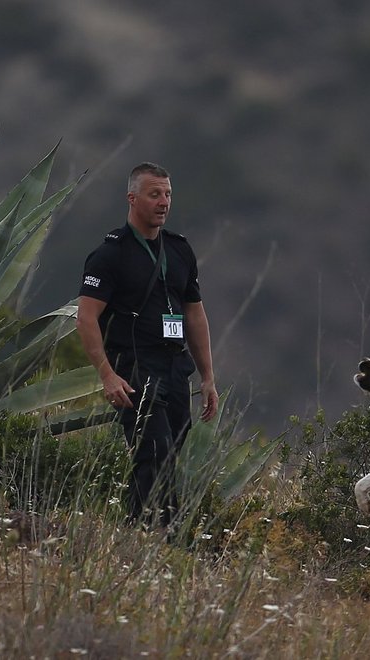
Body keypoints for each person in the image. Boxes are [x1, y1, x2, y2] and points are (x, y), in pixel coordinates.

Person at [76, 162, 219, 528]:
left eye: (168, 194)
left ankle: (144, 530)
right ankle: (157, 532)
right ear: (132, 197)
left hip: (175, 367)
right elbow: (86, 318)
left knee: (169, 452)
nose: (163, 202)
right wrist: (107, 375)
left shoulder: (180, 250)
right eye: (154, 194)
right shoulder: (110, 254)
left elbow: (195, 315)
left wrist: (207, 377)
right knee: (151, 452)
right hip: (134, 369)